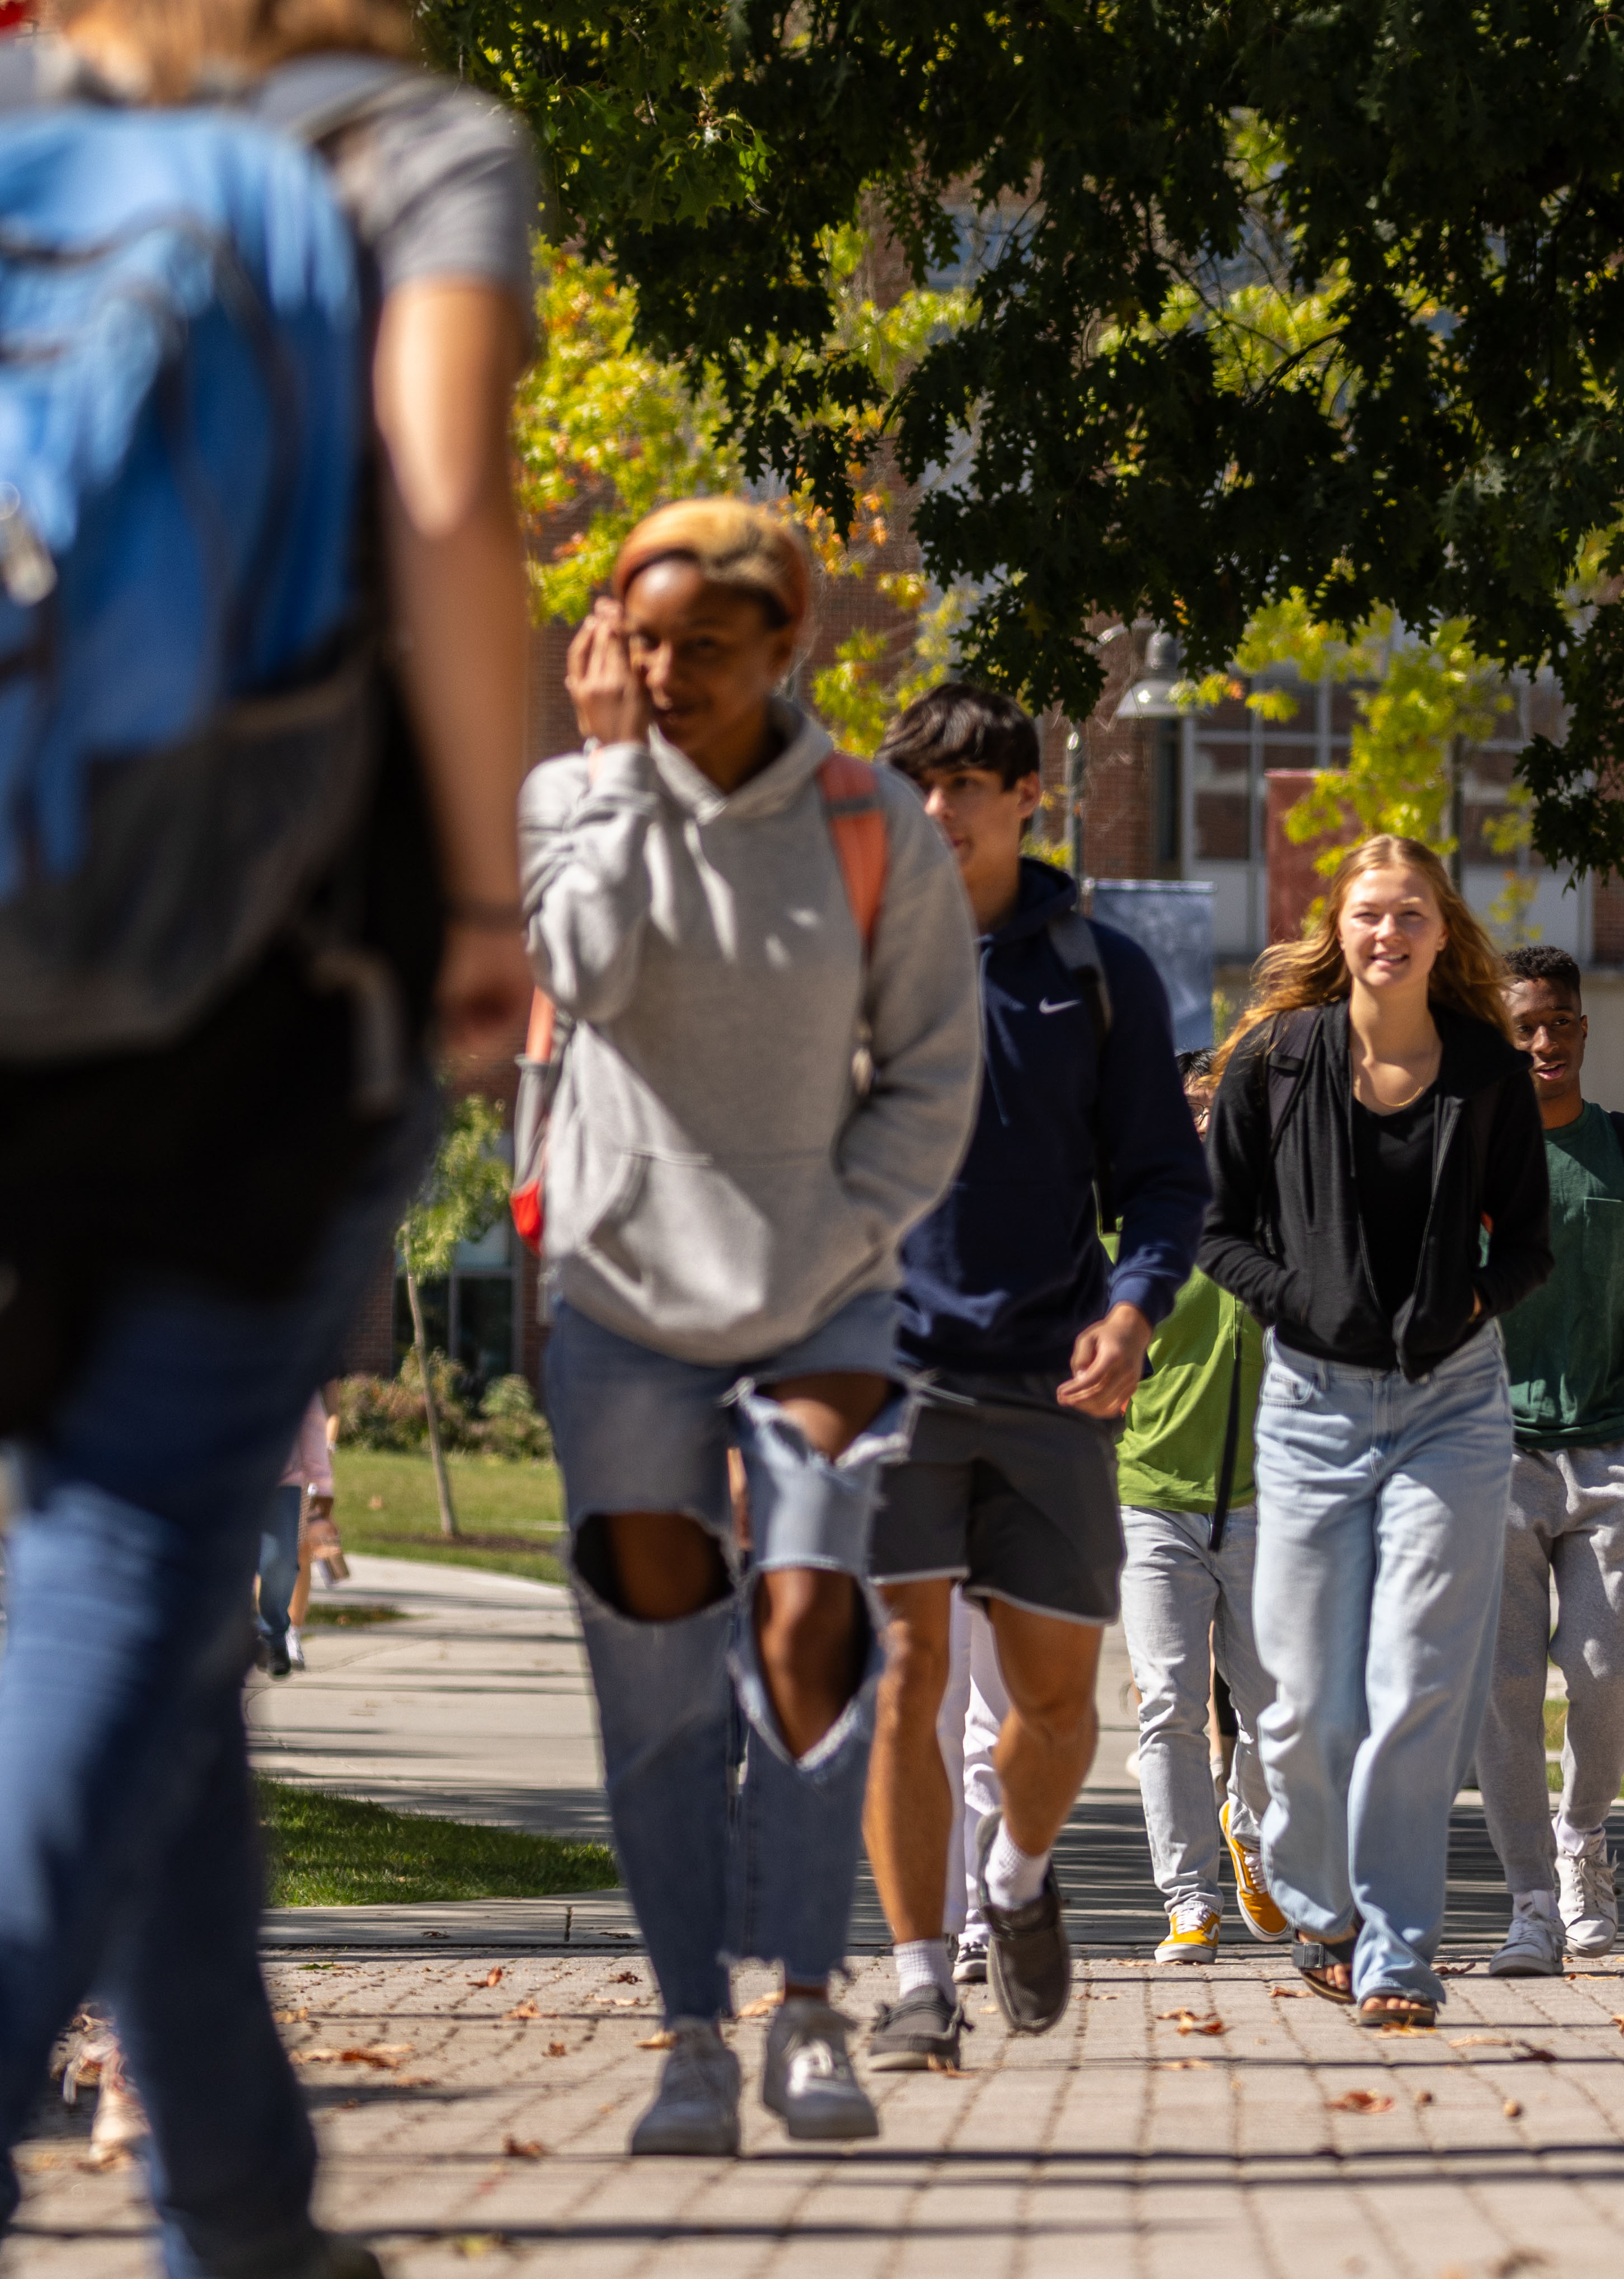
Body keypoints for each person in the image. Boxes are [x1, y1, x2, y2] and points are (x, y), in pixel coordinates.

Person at [0, 7, 549, 2264]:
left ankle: (242, 2195)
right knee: (128, 1565)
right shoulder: (406, 142)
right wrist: (484, 891)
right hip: (256, 967)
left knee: (143, 1568)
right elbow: (443, 497)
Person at [525, 498, 976, 2149]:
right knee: (655, 1687)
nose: (661, 676)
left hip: (822, 1300)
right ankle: (690, 2036)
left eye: (700, 649)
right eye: (640, 646)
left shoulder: (870, 822)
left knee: (805, 1634)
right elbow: (581, 970)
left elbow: (935, 1064)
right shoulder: (572, 797)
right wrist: (622, 782)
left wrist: (845, 1228)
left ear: (786, 647)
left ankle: (807, 2008)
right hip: (629, 1304)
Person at [851, 684, 1201, 2066]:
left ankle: (1016, 1881)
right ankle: (920, 1974)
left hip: (1053, 1381)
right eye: (918, 785)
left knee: (1059, 1703)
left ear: (1023, 800)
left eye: (968, 786)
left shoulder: (1095, 968)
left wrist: (1132, 1307)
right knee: (907, 1674)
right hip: (889, 1382)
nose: (940, 812)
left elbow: (1167, 1181)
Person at [1198, 835, 1551, 2029]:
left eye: (1410, 913)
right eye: (1367, 913)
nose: (1388, 933)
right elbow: (1218, 1227)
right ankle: (1322, 1907)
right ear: (1337, 928)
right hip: (1310, 1407)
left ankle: (1398, 1951)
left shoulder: (1491, 1073)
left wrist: (1471, 1301)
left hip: (1453, 1403)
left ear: (1442, 931)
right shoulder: (1278, 1061)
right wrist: (1300, 1300)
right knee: (1304, 1702)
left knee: (1417, 1684)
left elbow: (1531, 1244)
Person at [1473, 945, 1624, 1974]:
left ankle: (1583, 1834)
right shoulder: (1467, 1153)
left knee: (1613, 1670)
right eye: (1525, 1023)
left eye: (1560, 1021)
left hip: (1613, 1446)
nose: (1543, 1040)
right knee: (1504, 1683)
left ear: (1582, 1030)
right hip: (1487, 1453)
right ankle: (1533, 1895)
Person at [1115, 1051, 1284, 1961]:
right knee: (1170, 1702)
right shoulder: (1135, 1224)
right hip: (1153, 1497)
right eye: (1186, 1108)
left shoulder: (1283, 1218)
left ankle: (1248, 1831)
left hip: (1267, 1500)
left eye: (1218, 1107)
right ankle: (1189, 1898)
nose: (1203, 1123)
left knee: (1271, 1706)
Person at [258, 1394, 338, 1677]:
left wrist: (323, 1486)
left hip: (284, 1481)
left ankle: (274, 1636)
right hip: (227, 1476)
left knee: (281, 1561)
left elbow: (313, 1423)